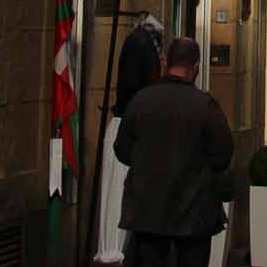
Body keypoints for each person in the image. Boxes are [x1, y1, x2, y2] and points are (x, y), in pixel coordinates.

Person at [114, 34, 232, 267]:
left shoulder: (141, 100)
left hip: (149, 209)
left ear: (165, 62)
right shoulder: (205, 106)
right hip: (194, 211)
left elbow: (122, 150)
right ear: (196, 67)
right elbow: (223, 156)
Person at [96, 16, 165, 264]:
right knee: (118, 198)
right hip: (128, 126)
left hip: (131, 124)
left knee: (121, 198)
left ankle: (115, 252)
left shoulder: (141, 42)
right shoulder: (140, 44)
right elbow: (134, 89)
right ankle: (111, 254)